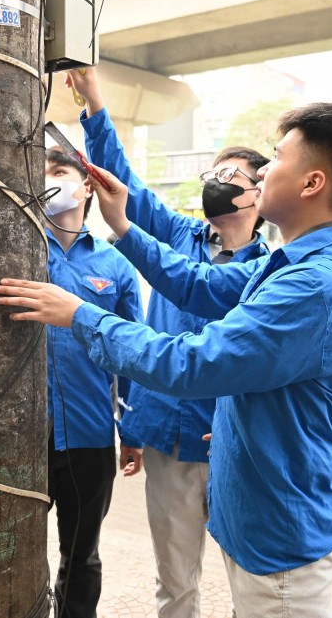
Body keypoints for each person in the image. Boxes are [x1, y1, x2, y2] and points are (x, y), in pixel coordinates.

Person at [0, 102, 332, 617]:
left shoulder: (309, 284)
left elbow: (193, 364)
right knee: (177, 585)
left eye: (277, 158)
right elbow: (196, 284)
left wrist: (80, 316)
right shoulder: (291, 264)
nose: (264, 171)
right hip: (254, 491)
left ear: (312, 183)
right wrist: (126, 226)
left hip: (282, 525)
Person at [68, 67, 270, 618]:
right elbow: (122, 186)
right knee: (175, 581)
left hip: (232, 441)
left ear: (259, 192)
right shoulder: (181, 235)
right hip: (168, 439)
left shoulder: (271, 271)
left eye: (231, 174)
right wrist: (94, 106)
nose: (218, 181)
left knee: (248, 581)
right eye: (214, 171)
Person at [43, 146, 144, 617]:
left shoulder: (115, 265)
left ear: (86, 185)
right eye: (41, 174)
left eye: (59, 172)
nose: (49, 180)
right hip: (21, 438)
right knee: (9, 547)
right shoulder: (14, 248)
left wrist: (133, 430)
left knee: (81, 555)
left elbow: (132, 354)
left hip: (88, 437)